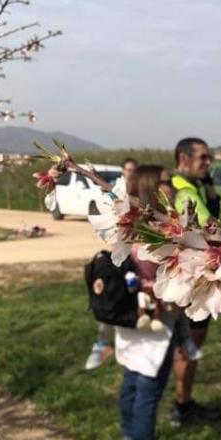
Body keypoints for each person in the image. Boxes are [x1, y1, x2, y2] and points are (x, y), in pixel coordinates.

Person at [116, 165, 180, 440]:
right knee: (149, 384)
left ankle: (129, 437)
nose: (175, 187)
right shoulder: (156, 233)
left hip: (131, 312)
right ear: (154, 187)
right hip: (155, 313)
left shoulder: (128, 226)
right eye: (169, 182)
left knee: (132, 375)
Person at [169, 137, 221, 425]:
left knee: (191, 345)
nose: (208, 162)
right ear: (184, 157)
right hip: (192, 281)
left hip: (196, 277)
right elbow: (209, 230)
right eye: (203, 157)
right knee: (189, 346)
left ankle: (184, 401)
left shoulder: (197, 185)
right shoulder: (183, 191)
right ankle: (182, 405)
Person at [85, 157, 139, 370]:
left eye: (134, 170)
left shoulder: (140, 195)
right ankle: (102, 342)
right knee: (111, 296)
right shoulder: (116, 191)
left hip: (137, 257)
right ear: (123, 171)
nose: (130, 174)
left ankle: (130, 342)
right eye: (127, 170)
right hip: (121, 256)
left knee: (136, 298)